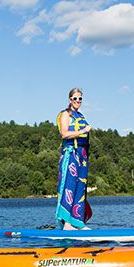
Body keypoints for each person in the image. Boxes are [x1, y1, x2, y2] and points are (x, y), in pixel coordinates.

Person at [55, 88, 93, 230]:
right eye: (75, 98)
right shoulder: (66, 114)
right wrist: (82, 131)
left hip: (81, 156)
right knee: (69, 186)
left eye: (80, 99)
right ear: (70, 99)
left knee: (80, 188)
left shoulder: (81, 116)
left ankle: (78, 222)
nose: (78, 101)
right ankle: (66, 223)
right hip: (70, 154)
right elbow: (64, 134)